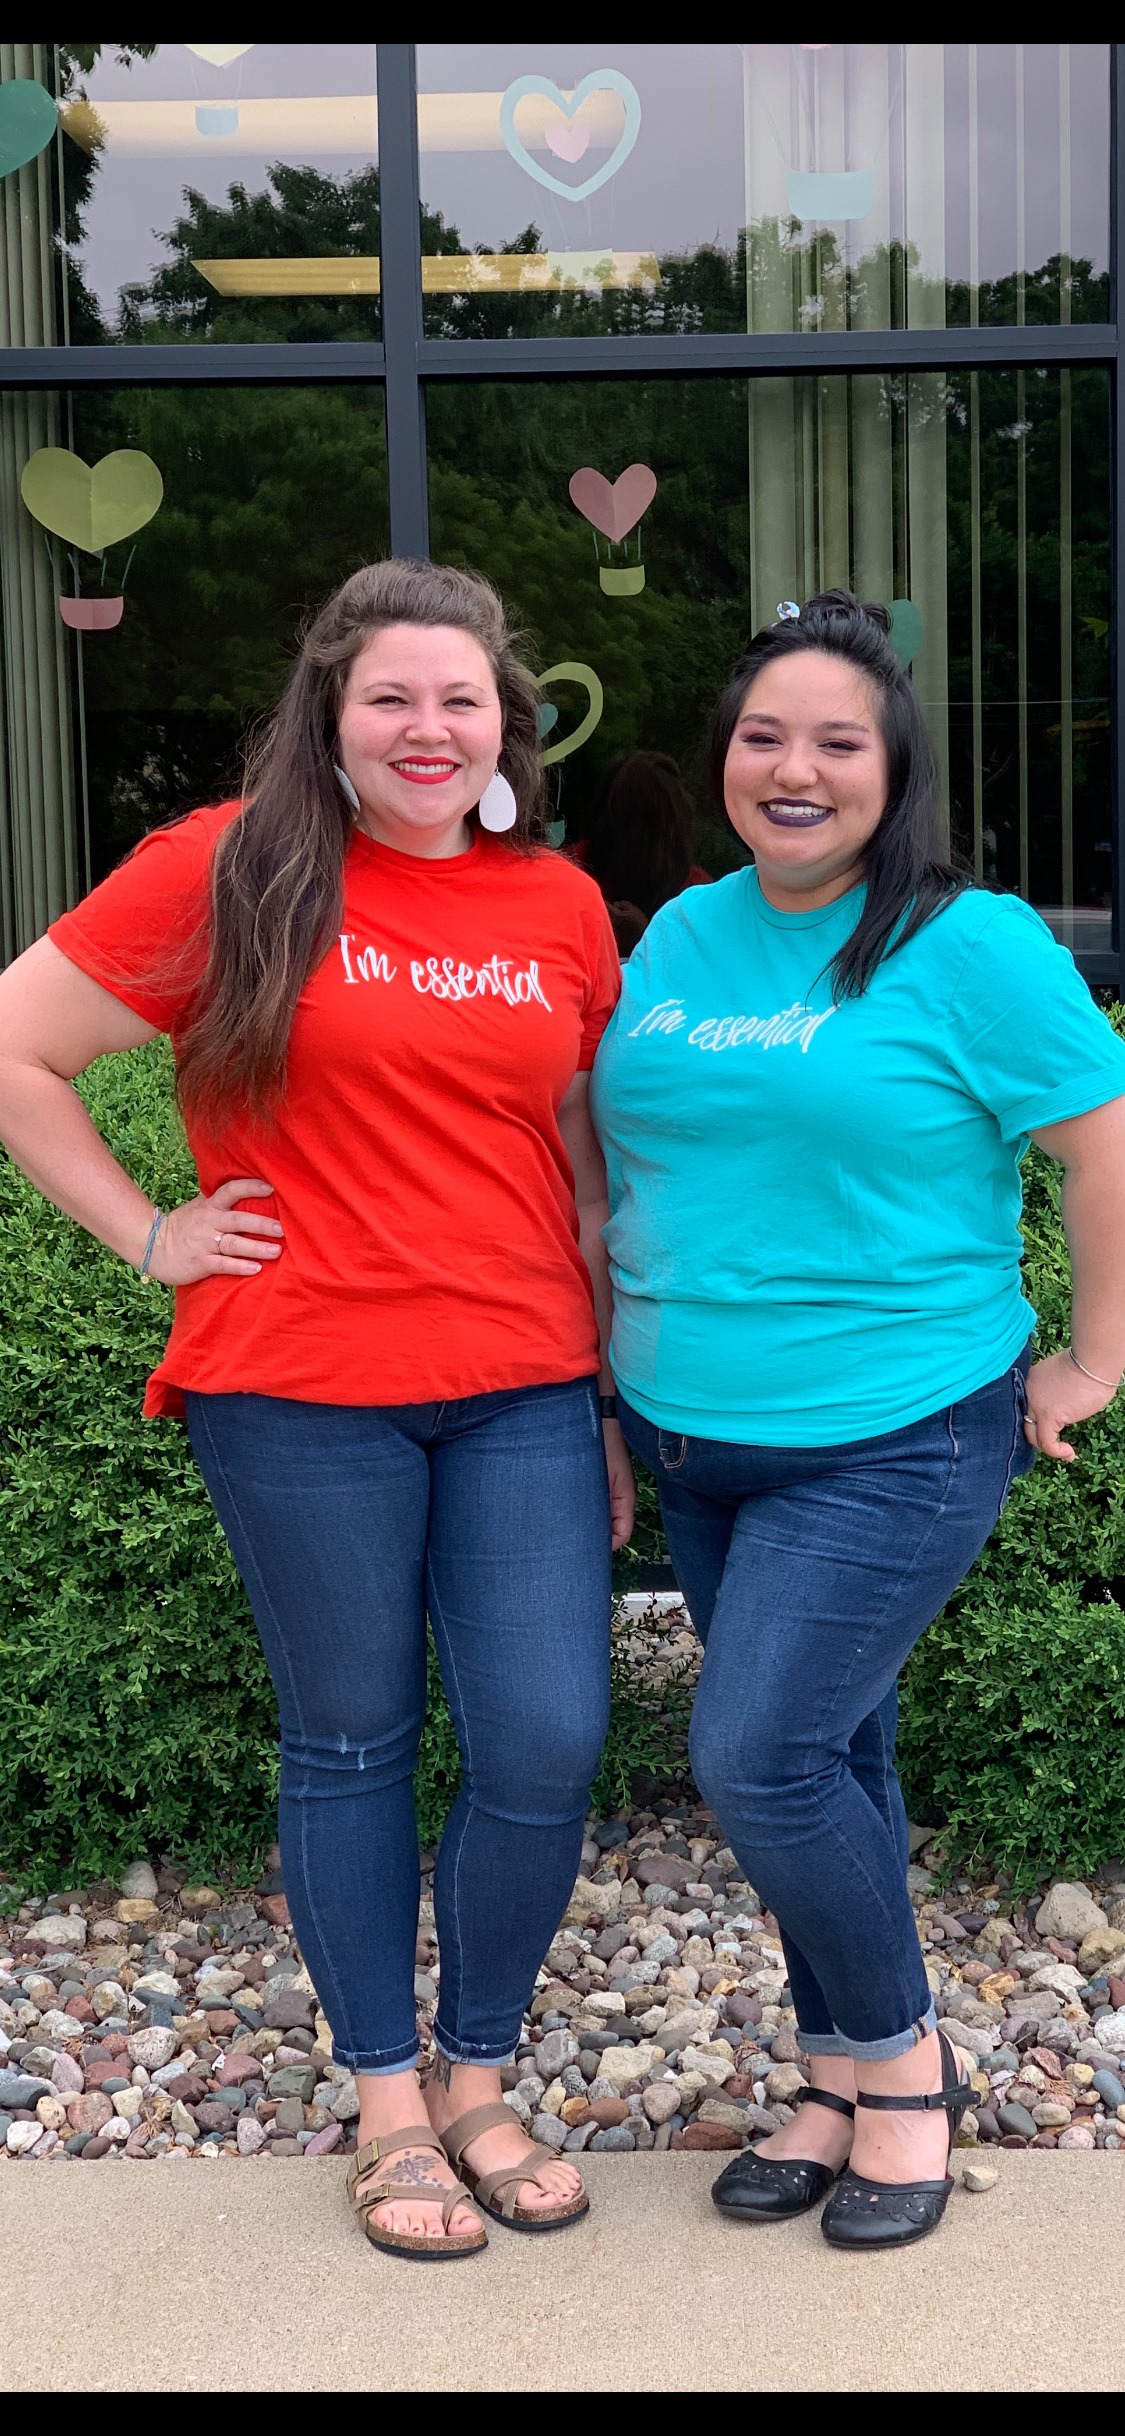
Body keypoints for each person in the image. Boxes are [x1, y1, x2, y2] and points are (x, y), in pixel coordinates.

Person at [0, 558, 635, 2260]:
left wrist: (603, 1390)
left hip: (521, 1386)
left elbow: (579, 1163)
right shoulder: (230, 866)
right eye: (391, 697)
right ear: (332, 714)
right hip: (297, 1389)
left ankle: (481, 2071)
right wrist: (151, 1234)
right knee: (350, 1737)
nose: (430, 729)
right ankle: (387, 2102)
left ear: (506, 722)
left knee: (545, 1737)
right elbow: (15, 1045)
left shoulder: (558, 905)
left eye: (460, 699)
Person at [590, 590, 1125, 2251]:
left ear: (895, 770)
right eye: (764, 736)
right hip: (694, 1434)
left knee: (757, 1752)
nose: (795, 769)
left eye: (837, 741)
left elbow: (1103, 1144)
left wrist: (1097, 1356)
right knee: (837, 1755)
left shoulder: (970, 946)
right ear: (724, 758)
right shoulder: (682, 934)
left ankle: (900, 2066)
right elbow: (631, 1154)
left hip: (897, 1430)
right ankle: (830, 2074)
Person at [579, 750, 710, 956]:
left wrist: (643, 935)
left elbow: (704, 965)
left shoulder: (696, 894)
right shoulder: (574, 872)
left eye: (646, 829)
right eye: (628, 825)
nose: (635, 839)